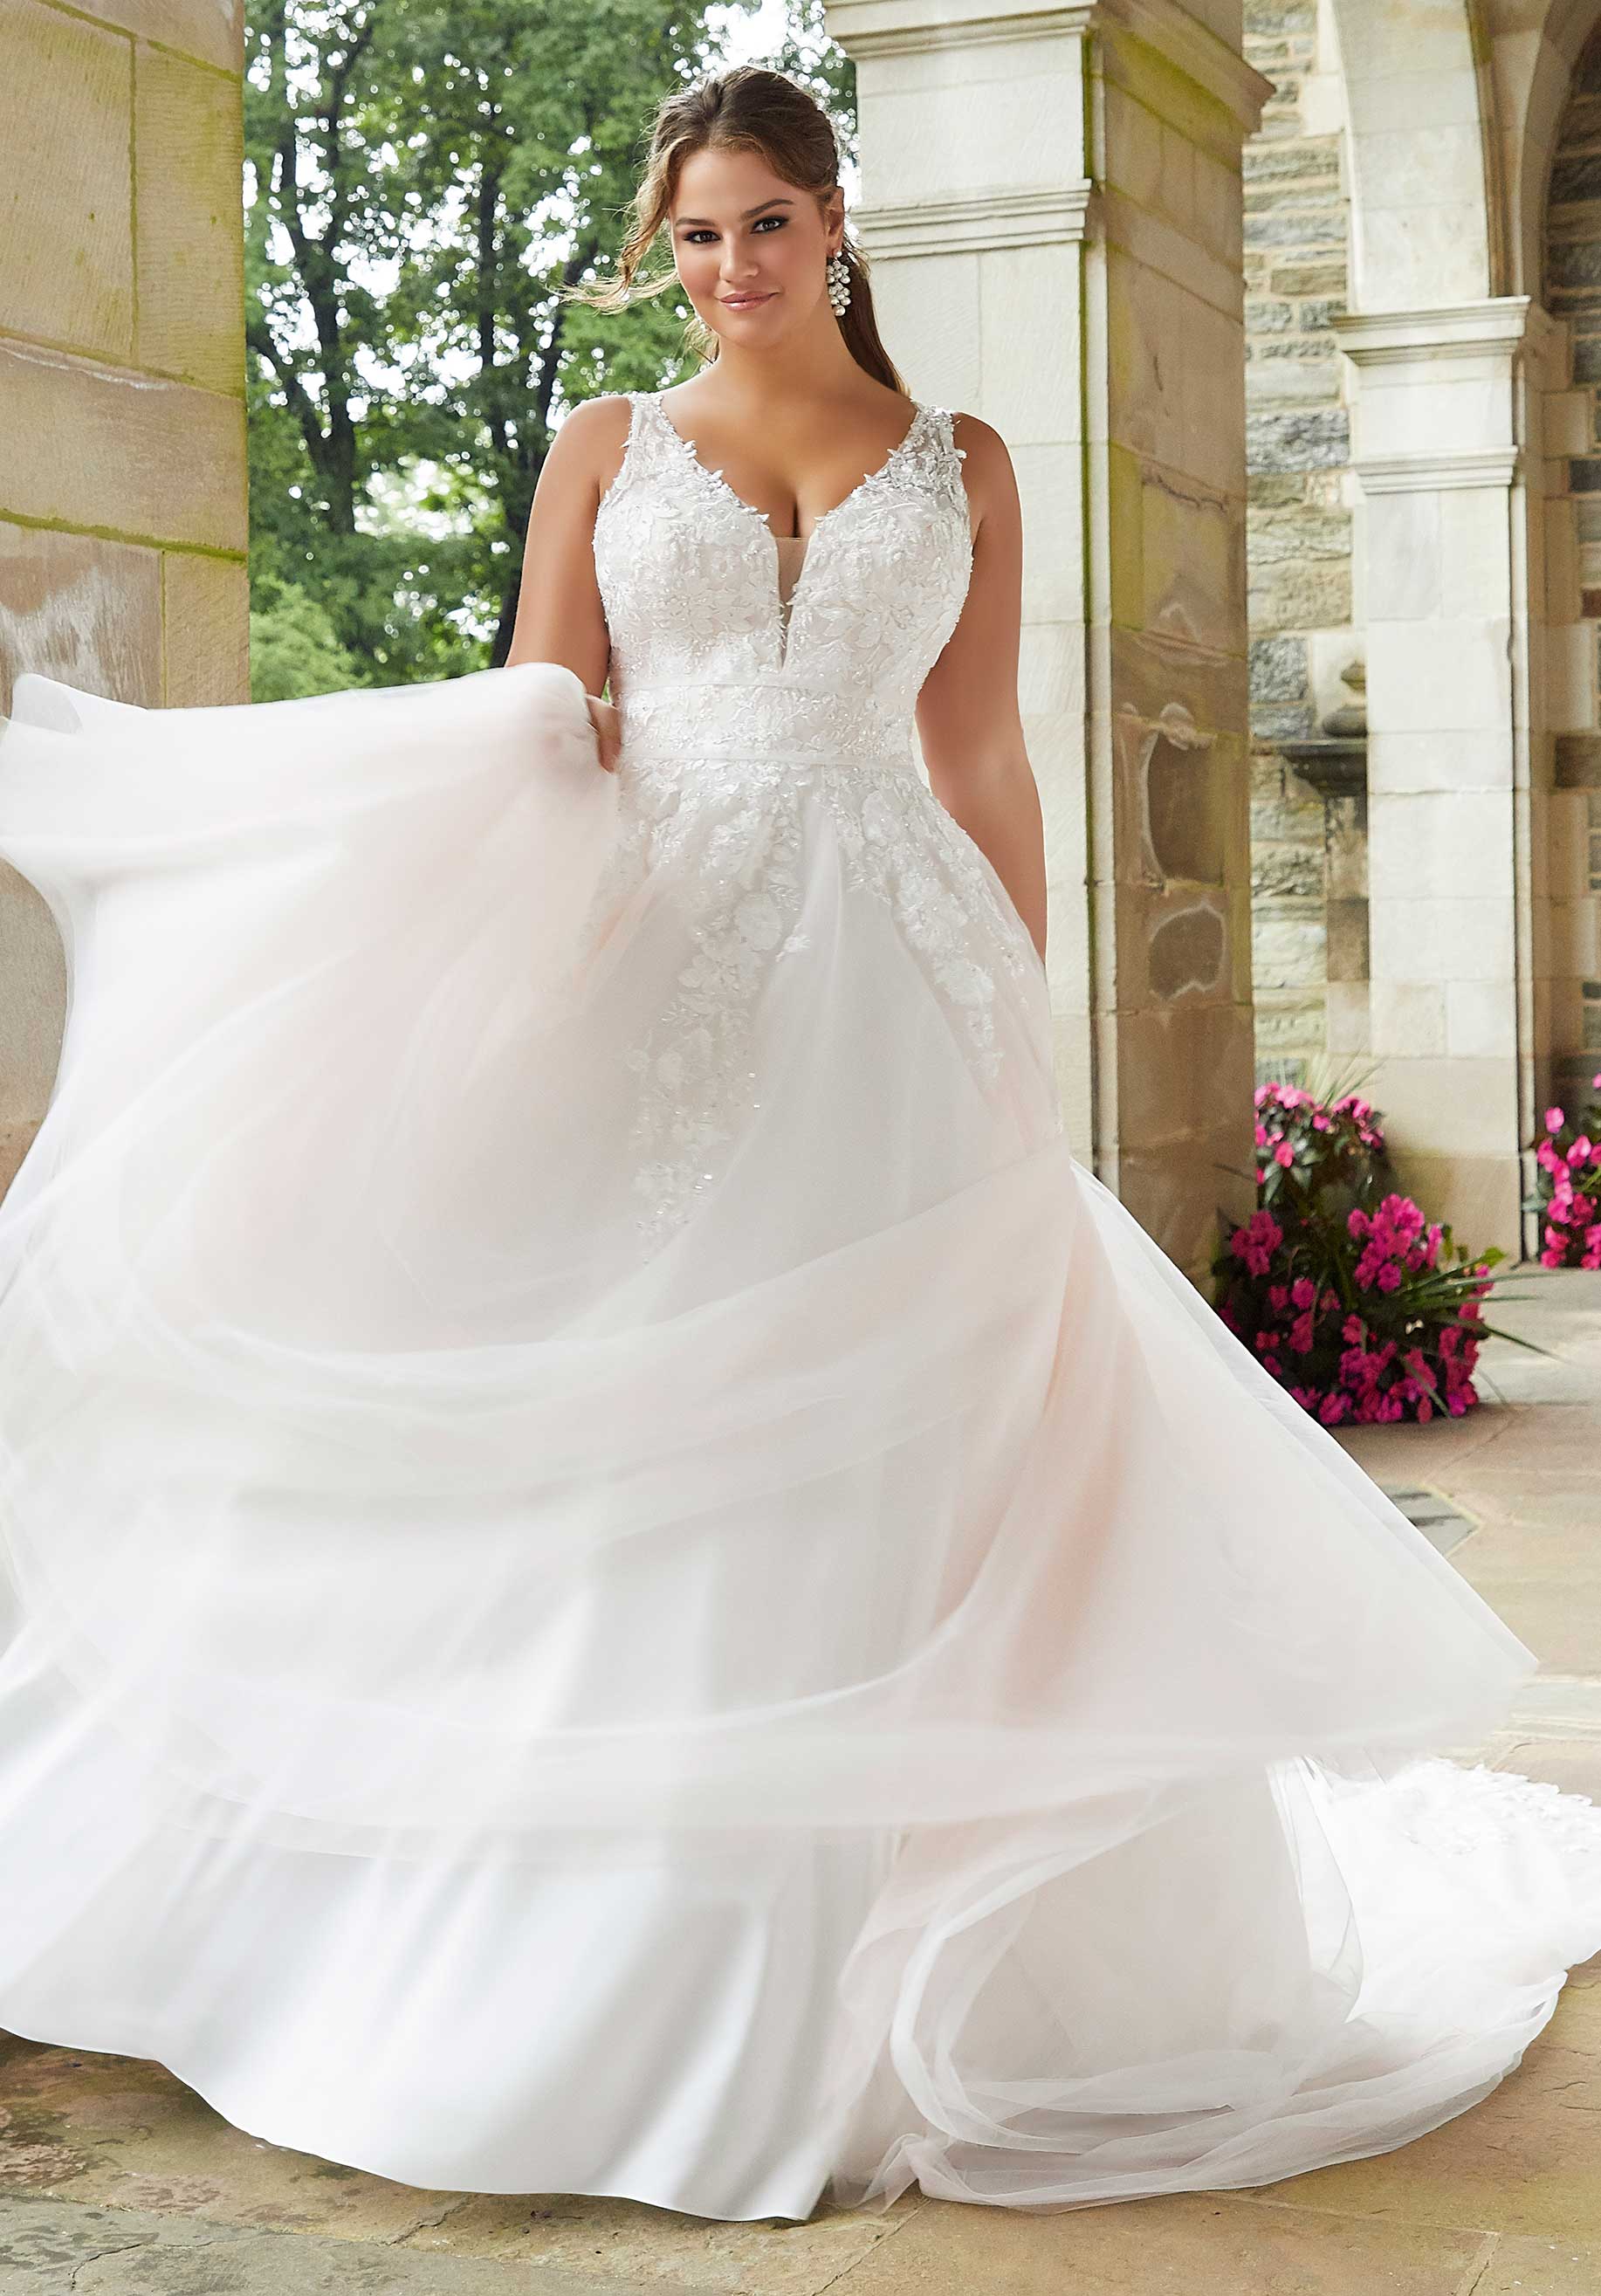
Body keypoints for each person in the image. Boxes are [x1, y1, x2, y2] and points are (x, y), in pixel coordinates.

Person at [0, 61, 1598, 2228]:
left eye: (760, 222)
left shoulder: (961, 459)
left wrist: (1018, 992)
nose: (726, 268)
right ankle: (623, 1962)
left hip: (901, 978)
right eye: (690, 233)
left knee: (901, 1437)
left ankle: (886, 1956)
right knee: (648, 1408)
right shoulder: (602, 448)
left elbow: (978, 752)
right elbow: (540, 722)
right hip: (662, 960)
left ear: (831, 222)